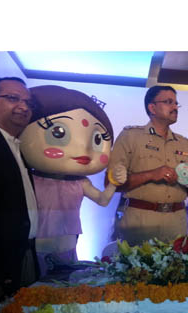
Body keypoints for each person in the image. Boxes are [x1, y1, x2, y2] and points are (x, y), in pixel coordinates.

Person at [20, 85, 126, 276]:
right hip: (36, 240)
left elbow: (102, 200)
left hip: (68, 240)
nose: (83, 150)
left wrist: (114, 183)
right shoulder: (30, 179)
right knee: (36, 280)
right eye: (58, 133)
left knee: (65, 279)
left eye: (97, 139)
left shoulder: (80, 182)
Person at [107, 85, 188, 245]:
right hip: (141, 222)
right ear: (152, 108)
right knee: (139, 263)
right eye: (169, 102)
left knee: (177, 262)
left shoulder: (184, 143)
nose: (175, 107)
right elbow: (111, 184)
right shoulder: (130, 137)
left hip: (176, 223)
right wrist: (151, 175)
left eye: (176, 103)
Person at [0, 77, 39, 313]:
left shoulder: (15, 146)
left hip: (20, 253)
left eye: (28, 103)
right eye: (13, 98)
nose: (23, 107)